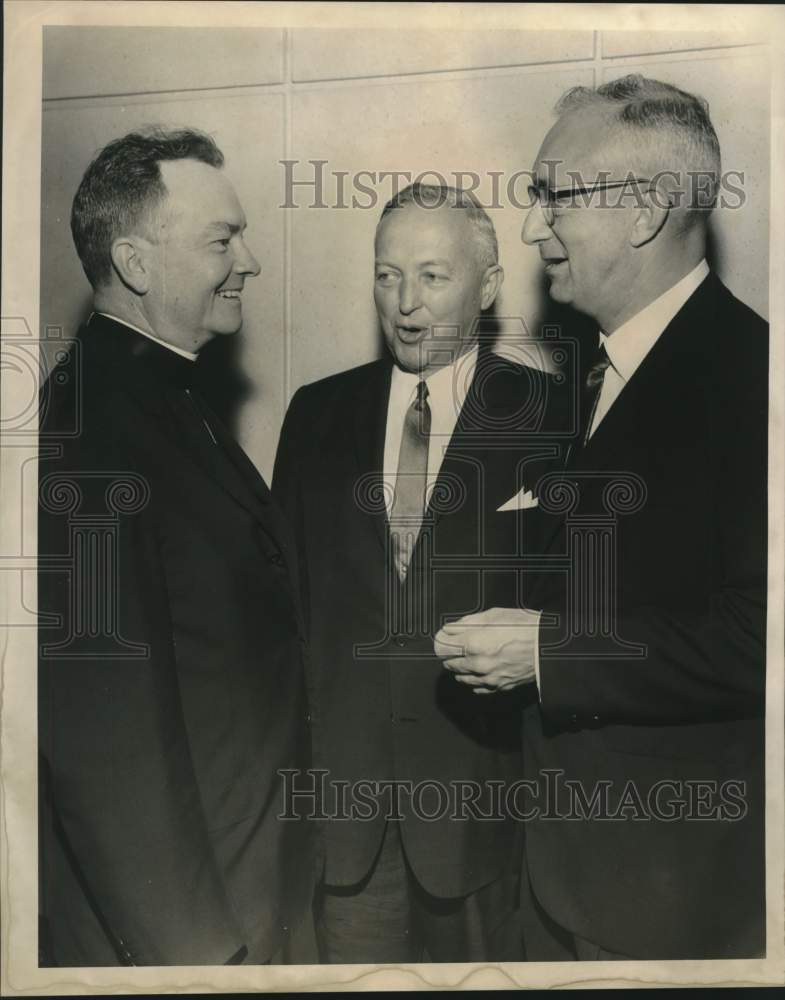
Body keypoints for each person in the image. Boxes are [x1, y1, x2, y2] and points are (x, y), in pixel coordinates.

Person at [435, 75, 768, 960]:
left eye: (556, 196)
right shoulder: (594, 374)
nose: (532, 226)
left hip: (671, 895)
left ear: (647, 211)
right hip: (562, 871)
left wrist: (547, 651)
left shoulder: (750, 378)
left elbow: (759, 636)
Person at [38, 127, 315, 965]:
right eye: (222, 240)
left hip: (250, 878)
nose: (251, 263)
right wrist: (198, 952)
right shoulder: (88, 429)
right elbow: (104, 728)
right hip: (193, 923)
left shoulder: (165, 392)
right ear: (136, 262)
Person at [272, 183, 563, 962]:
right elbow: (283, 609)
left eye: (432, 276)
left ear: (489, 286)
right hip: (345, 819)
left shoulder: (550, 419)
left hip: (485, 817)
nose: (405, 302)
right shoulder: (313, 414)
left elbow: (571, 617)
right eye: (386, 274)